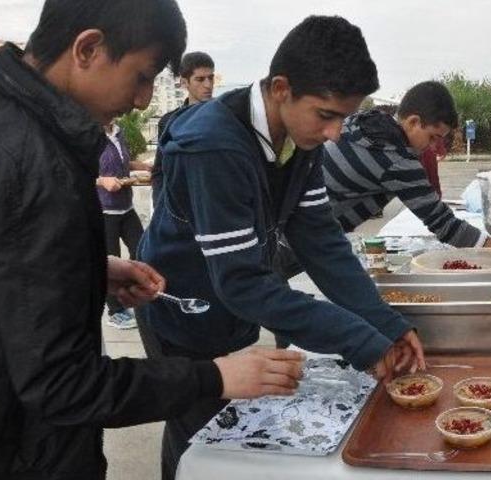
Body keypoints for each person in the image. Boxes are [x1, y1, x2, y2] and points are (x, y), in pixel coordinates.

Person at [0, 1, 306, 479]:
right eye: (142, 76)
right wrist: (214, 377)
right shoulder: (34, 163)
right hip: (19, 448)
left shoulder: (6, 119)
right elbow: (61, 384)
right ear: (88, 48)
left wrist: (89, 266)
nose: (141, 99)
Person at [138, 16, 426, 479]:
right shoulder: (215, 145)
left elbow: (322, 242)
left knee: (235, 432)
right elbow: (242, 282)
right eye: (326, 115)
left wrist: (384, 322)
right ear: (280, 89)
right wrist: (359, 342)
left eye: (344, 119)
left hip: (234, 308)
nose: (335, 134)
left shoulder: (299, 137)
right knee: (199, 437)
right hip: (184, 308)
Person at [322, 81, 491, 271]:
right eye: (433, 137)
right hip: (301, 234)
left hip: (300, 222)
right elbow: (447, 226)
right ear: (414, 122)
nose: (431, 147)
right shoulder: (396, 158)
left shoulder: (367, 123)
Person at [96, 121, 151, 329]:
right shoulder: (91, 134)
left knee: (143, 251)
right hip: (105, 210)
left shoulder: (119, 132)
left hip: (126, 207)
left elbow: (122, 162)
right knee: (111, 260)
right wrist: (102, 181)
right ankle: (115, 311)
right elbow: (80, 169)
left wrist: (143, 167)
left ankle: (140, 298)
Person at [151, 51, 215, 204]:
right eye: (200, 79)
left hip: (214, 209)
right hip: (180, 211)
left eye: (211, 78)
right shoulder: (169, 122)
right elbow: (160, 170)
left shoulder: (227, 118)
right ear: (185, 82)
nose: (208, 85)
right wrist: (160, 204)